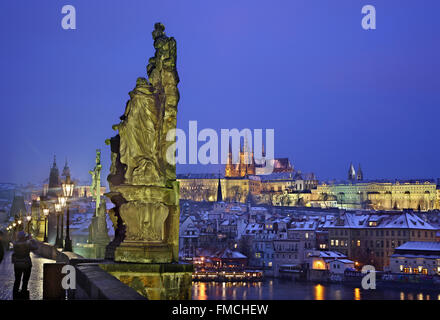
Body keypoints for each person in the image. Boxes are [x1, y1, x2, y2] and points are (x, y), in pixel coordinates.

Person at [12, 231, 38, 300]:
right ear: (24, 236)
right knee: (25, 280)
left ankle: (15, 295)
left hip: (17, 264)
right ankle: (23, 295)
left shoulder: (15, 243)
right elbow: (36, 247)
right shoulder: (28, 243)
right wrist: (32, 239)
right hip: (26, 264)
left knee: (17, 280)